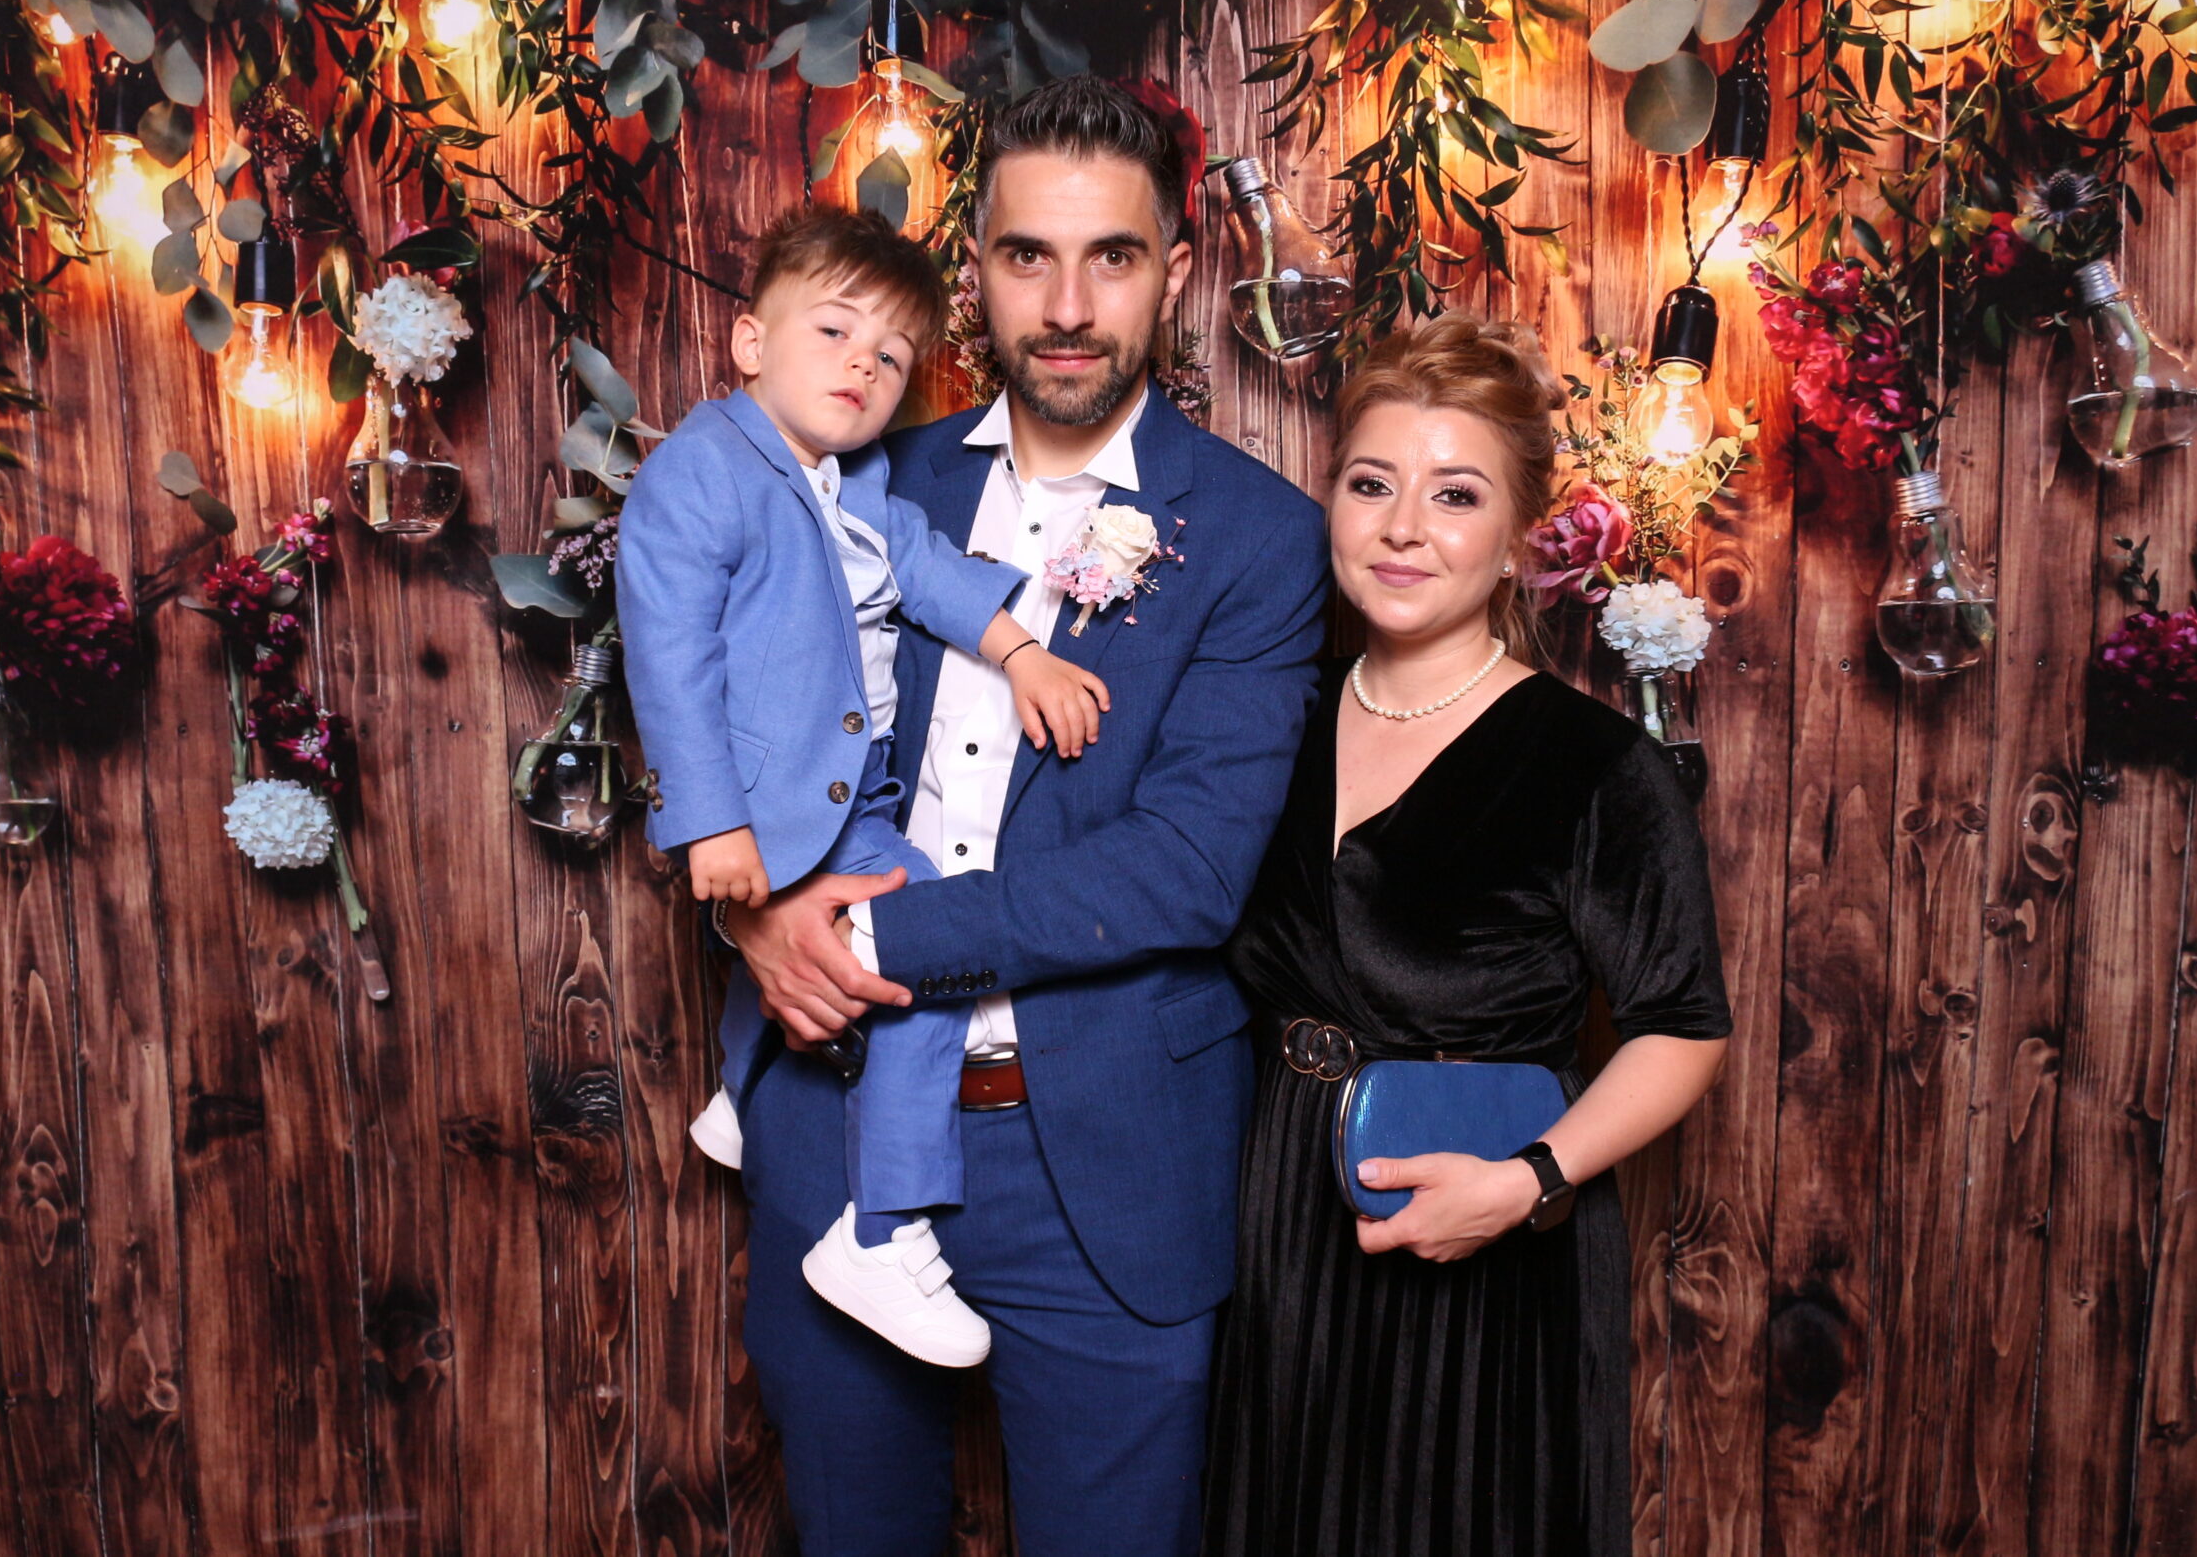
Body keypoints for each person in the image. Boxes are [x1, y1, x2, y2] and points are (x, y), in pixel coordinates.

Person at [720, 77, 1330, 1557]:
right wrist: (754, 914)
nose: (1065, 307)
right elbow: (737, 712)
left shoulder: (1260, 536)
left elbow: (1185, 870)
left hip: (1104, 1160)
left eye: (1110, 257)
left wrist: (864, 934)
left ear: (1173, 271)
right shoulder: (863, 477)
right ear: (973, 270)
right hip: (836, 1120)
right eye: (1025, 257)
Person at [1201, 311, 1734, 1557]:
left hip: (1484, 1253)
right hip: (1279, 1225)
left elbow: (1681, 1028)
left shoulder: (1593, 765)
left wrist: (1523, 1183)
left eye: (1454, 495)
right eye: (1369, 484)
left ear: (1517, 543)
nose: (1402, 527)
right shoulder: (1268, 719)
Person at [616, 203, 1113, 1369]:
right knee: (926, 961)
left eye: (891, 357)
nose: (862, 367)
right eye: (834, 333)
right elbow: (669, 656)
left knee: (838, 949)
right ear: (750, 342)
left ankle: (737, 1099)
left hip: (855, 794)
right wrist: (713, 824)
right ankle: (881, 1233)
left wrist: (1022, 654)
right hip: (779, 802)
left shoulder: (855, 480)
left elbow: (928, 571)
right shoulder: (701, 472)